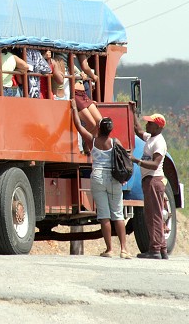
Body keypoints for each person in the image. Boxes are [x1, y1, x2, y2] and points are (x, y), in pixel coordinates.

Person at [70, 100, 131, 259]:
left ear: (98, 128)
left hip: (97, 176)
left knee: (104, 215)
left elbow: (79, 125)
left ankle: (109, 249)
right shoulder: (115, 142)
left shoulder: (92, 141)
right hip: (113, 178)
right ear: (110, 130)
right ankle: (124, 249)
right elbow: (124, 158)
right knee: (118, 214)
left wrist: (75, 108)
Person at [130, 106, 169, 260]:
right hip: (150, 180)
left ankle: (154, 249)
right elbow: (138, 130)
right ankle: (162, 249)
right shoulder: (151, 138)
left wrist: (136, 161)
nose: (147, 125)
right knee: (154, 215)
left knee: (154, 216)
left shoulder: (159, 143)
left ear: (158, 127)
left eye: (150, 123)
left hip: (154, 180)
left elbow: (155, 164)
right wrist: (132, 113)